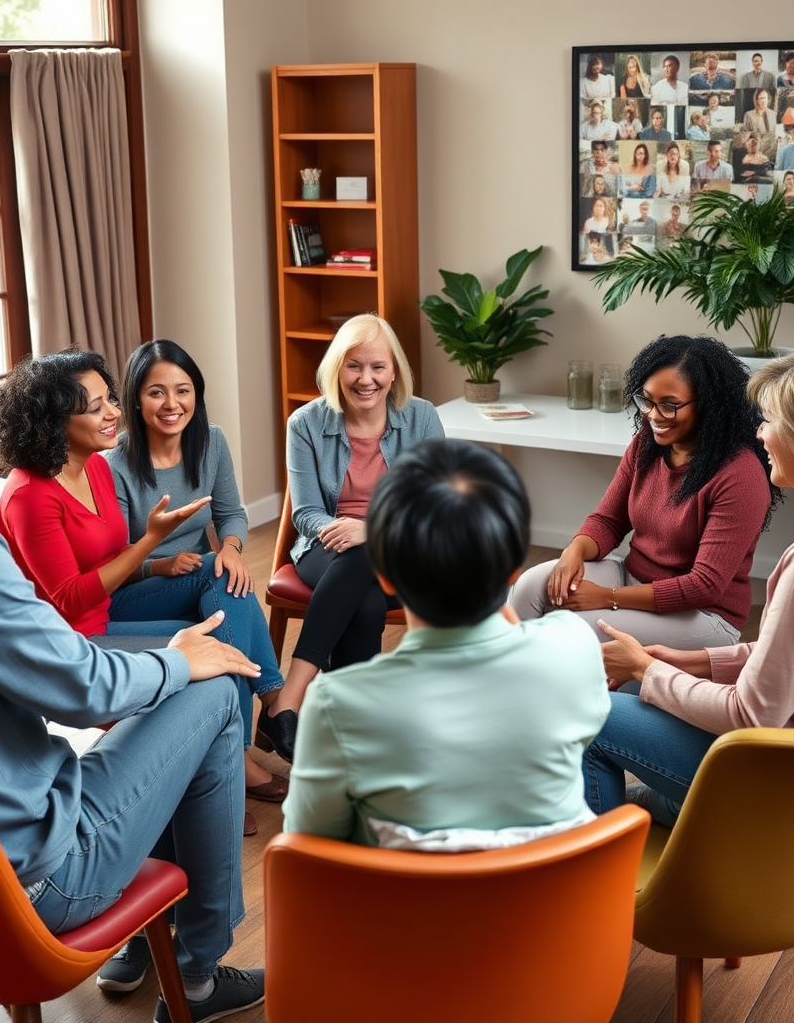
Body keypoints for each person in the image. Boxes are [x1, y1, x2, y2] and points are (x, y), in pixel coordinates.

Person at [0, 313, 265, 1023]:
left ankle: (158, 942)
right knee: (216, 689)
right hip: (31, 881)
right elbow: (82, 688)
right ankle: (198, 972)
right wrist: (178, 660)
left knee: (191, 680)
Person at [0, 350, 288, 847]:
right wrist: (151, 545)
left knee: (219, 590)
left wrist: (176, 551)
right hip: (75, 638)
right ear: (54, 419)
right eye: (96, 406)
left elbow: (115, 558)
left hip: (110, 610)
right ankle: (249, 743)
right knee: (210, 650)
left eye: (110, 400)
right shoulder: (30, 495)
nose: (113, 414)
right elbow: (66, 600)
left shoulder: (95, 470)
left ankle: (245, 743)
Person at [585, 345, 794, 824]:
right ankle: (653, 822)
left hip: (783, 782)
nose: (759, 433)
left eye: (768, 420)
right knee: (630, 713)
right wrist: (696, 662)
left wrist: (647, 669)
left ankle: (588, 883)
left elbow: (752, 716)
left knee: (584, 711)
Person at [283, 438, 610, 846]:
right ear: (514, 570)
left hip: (408, 907)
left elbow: (311, 847)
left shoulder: (338, 703)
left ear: (384, 576)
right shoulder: (573, 646)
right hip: (554, 905)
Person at [104, 339, 294, 800]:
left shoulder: (212, 442)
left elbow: (232, 513)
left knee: (226, 585)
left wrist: (231, 546)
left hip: (197, 580)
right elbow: (111, 563)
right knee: (219, 576)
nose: (172, 404)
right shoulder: (113, 464)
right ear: (135, 397)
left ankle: (232, 758)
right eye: (156, 392)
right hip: (134, 593)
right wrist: (160, 564)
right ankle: (273, 705)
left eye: (183, 390)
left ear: (197, 394)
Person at [511, 335, 777, 651]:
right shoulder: (646, 445)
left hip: (704, 615)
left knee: (568, 630)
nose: (652, 415)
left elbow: (704, 586)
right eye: (646, 400)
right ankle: (509, 679)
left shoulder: (740, 475)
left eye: (669, 404)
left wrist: (607, 598)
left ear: (709, 405)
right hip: (633, 577)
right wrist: (573, 552)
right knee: (530, 586)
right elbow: (609, 520)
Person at [271, 314, 444, 759]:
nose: (366, 379)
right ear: (336, 369)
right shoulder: (305, 423)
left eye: (378, 367)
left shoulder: (422, 418)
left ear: (394, 371)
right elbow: (306, 512)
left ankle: (292, 701)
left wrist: (371, 529)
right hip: (325, 546)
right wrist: (343, 531)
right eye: (353, 365)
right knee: (360, 578)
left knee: (365, 572)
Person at [742, 88, 777, 157]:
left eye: (765, 98)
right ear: (757, 100)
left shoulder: (774, 114)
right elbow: (746, 135)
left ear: (768, 99)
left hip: (772, 150)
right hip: (756, 150)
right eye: (761, 98)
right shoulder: (749, 115)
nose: (763, 101)